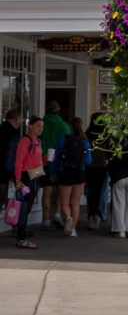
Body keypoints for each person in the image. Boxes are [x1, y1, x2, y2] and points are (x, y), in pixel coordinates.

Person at [50, 117, 92, 237]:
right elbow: (88, 161)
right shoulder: (86, 142)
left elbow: (56, 159)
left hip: (65, 172)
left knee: (64, 203)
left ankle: (68, 218)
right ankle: (72, 229)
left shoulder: (61, 140)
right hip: (79, 173)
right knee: (75, 203)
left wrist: (53, 173)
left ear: (70, 127)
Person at [13, 116, 44, 249]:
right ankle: (21, 238)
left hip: (35, 175)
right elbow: (19, 161)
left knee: (28, 207)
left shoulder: (38, 141)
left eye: (42, 126)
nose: (40, 129)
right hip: (25, 177)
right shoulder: (25, 141)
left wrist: (47, 158)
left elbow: (36, 160)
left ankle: (22, 231)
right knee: (23, 208)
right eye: (38, 126)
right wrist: (18, 179)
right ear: (30, 126)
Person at [107, 124, 128, 238]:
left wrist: (112, 178)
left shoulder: (116, 149)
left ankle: (120, 230)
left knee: (119, 204)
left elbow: (110, 165)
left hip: (118, 178)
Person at [40, 101, 70, 230]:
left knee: (46, 192)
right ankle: (57, 214)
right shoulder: (63, 125)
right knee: (60, 191)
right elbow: (68, 144)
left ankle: (46, 220)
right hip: (59, 162)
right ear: (58, 111)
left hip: (44, 161)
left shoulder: (41, 124)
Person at [84, 113, 108, 230]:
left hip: (89, 166)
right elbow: (109, 151)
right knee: (99, 193)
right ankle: (97, 216)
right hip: (101, 166)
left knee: (90, 193)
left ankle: (90, 217)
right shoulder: (106, 135)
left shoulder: (87, 134)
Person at [1, 109, 22, 197]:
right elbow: (15, 156)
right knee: (10, 204)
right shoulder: (13, 134)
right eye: (20, 119)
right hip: (7, 172)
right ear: (16, 119)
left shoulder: (1, 128)